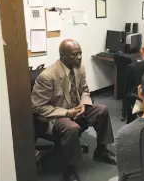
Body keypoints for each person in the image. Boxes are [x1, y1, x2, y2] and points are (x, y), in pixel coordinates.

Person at [32, 39, 116, 181]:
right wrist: (66, 113)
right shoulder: (47, 76)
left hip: (77, 110)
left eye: (80, 53)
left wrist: (83, 104)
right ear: (63, 56)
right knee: (71, 128)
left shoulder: (79, 67)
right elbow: (37, 107)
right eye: (74, 55)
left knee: (102, 110)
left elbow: (85, 90)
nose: (79, 57)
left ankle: (101, 150)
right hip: (57, 116)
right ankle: (69, 169)